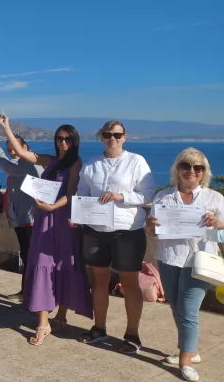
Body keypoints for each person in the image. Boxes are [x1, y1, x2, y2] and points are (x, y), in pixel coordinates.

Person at [0, 113, 92, 343]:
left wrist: (52, 207)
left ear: (74, 141)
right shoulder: (51, 161)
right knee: (42, 263)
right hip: (45, 219)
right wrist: (6, 128)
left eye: (68, 139)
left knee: (64, 265)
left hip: (63, 220)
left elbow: (71, 193)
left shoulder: (76, 163)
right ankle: (42, 323)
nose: (63, 143)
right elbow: (21, 153)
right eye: (59, 138)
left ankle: (61, 314)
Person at [76, 120, 156, 353]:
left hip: (127, 231)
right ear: (101, 136)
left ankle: (132, 335)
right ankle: (99, 328)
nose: (113, 138)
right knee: (98, 280)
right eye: (108, 134)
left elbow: (149, 195)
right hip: (95, 230)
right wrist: (78, 213)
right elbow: (82, 193)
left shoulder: (136, 162)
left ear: (125, 137)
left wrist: (121, 196)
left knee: (130, 283)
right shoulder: (91, 164)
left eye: (117, 134)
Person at [146, 148, 224, 382]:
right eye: (186, 166)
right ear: (177, 169)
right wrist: (150, 226)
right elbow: (151, 234)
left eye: (197, 167)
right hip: (169, 257)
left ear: (203, 172)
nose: (191, 171)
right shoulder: (163, 198)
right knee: (177, 308)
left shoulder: (214, 198)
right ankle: (192, 350)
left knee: (189, 311)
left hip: (199, 261)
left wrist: (218, 224)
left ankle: (185, 361)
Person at [0, 129, 44, 302]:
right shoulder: (23, 163)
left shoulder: (27, 163)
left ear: (25, 147)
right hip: (21, 218)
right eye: (9, 148)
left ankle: (29, 294)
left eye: (14, 146)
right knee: (27, 255)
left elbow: (7, 166)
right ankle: (28, 292)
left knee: (29, 256)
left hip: (29, 219)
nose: (11, 150)